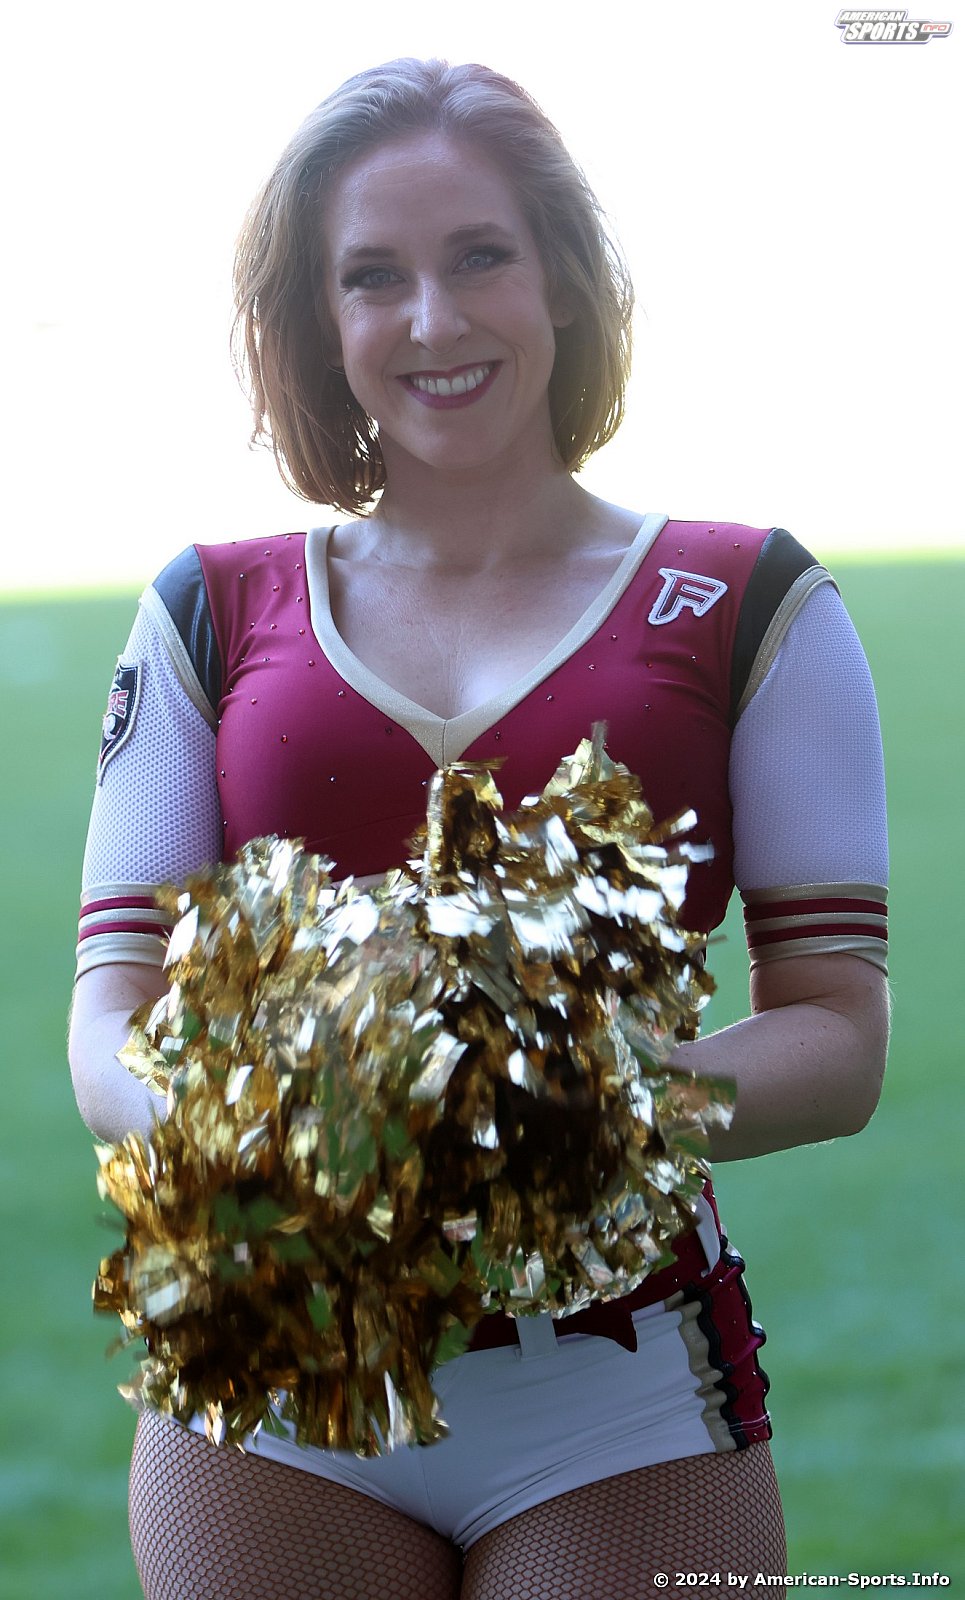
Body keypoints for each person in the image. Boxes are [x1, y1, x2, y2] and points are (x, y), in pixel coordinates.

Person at [69, 58, 890, 1600]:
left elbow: (839, 1037)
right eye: (372, 276)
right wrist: (266, 1121)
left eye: (479, 256)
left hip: (616, 1392)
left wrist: (584, 1108)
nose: (432, 320)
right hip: (268, 1386)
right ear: (317, 322)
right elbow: (107, 1021)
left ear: (563, 279)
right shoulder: (208, 605)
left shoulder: (745, 599)